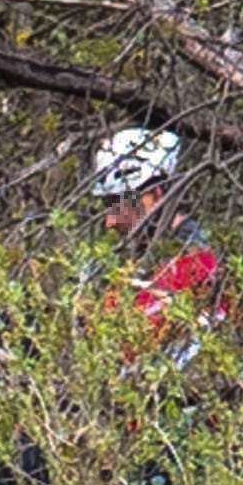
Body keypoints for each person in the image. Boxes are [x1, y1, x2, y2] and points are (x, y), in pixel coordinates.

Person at [91, 126, 227, 367]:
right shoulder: (134, 268)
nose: (110, 221)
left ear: (155, 194)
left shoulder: (199, 265)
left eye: (118, 204)